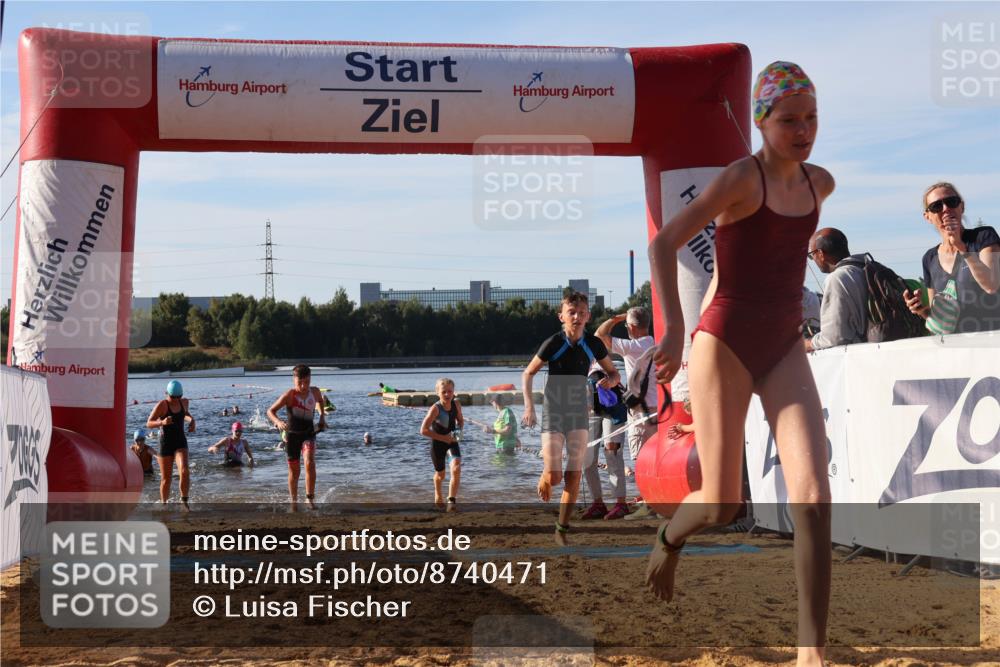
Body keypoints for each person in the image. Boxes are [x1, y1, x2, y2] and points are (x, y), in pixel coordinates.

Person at [647, 61, 834, 666]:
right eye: (788, 120)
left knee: (814, 496)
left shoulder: (820, 184)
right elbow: (663, 241)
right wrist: (675, 326)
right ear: (760, 120)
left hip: (781, 344)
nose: (802, 130)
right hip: (721, 343)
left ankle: (811, 653)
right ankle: (669, 535)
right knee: (722, 504)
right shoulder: (738, 179)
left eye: (810, 118)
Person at [522, 291, 621, 545]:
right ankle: (546, 475)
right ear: (561, 316)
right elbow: (528, 373)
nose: (576, 317)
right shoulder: (553, 343)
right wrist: (529, 407)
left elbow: (613, 372)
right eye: (571, 313)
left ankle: (561, 529)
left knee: (573, 474)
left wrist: (610, 383)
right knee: (555, 476)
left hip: (579, 410)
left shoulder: (593, 343)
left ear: (588, 316)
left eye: (581, 313)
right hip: (554, 410)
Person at [905, 182, 1000, 333]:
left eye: (951, 202)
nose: (946, 209)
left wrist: (961, 247)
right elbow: (940, 320)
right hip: (957, 350)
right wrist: (921, 310)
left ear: (961, 207)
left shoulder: (983, 237)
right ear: (927, 217)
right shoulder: (929, 258)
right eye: (936, 206)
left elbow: (991, 285)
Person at [596, 306, 658, 518]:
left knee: (641, 460)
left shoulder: (633, 346)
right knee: (655, 458)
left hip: (640, 413)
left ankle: (649, 504)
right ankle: (656, 501)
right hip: (657, 409)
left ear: (631, 327)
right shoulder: (655, 343)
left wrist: (616, 317)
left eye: (628, 326)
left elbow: (600, 335)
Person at [267, 365, 327, 509]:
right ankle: (293, 502)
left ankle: (309, 498)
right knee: (295, 472)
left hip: (309, 434)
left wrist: (322, 418)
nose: (303, 386)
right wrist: (278, 422)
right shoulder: (290, 395)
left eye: (307, 381)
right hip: (292, 436)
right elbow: (270, 411)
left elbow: (320, 401)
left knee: (309, 461)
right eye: (300, 382)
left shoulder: (315, 391)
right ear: (294, 380)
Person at [804, 228, 869, 351]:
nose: (814, 261)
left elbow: (833, 337)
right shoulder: (867, 268)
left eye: (812, 256)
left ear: (821, 254)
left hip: (863, 359)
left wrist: (805, 344)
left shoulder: (837, 279)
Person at [581, 368, 630, 520]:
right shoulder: (575, 351)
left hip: (611, 401)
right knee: (586, 457)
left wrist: (612, 380)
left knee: (612, 452)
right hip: (588, 405)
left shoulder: (602, 348)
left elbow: (616, 373)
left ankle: (621, 504)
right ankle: (598, 504)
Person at [146, 380, 197, 508]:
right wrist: (161, 423)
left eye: (178, 397)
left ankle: (184, 501)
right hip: (166, 444)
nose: (175, 399)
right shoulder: (162, 405)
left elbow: (185, 415)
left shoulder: (184, 402)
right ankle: (164, 504)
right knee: (166, 479)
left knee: (184, 470)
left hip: (180, 441)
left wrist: (192, 421)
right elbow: (149, 423)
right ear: (166, 393)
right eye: (172, 397)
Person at [419, 378, 465, 511]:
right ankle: (438, 494)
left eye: (450, 391)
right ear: (438, 392)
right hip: (437, 444)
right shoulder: (435, 409)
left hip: (451, 442)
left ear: (453, 392)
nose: (447, 394)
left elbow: (460, 421)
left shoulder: (456, 405)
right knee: (441, 475)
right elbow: (423, 430)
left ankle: (451, 500)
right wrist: (443, 438)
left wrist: (458, 433)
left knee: (456, 467)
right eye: (443, 392)